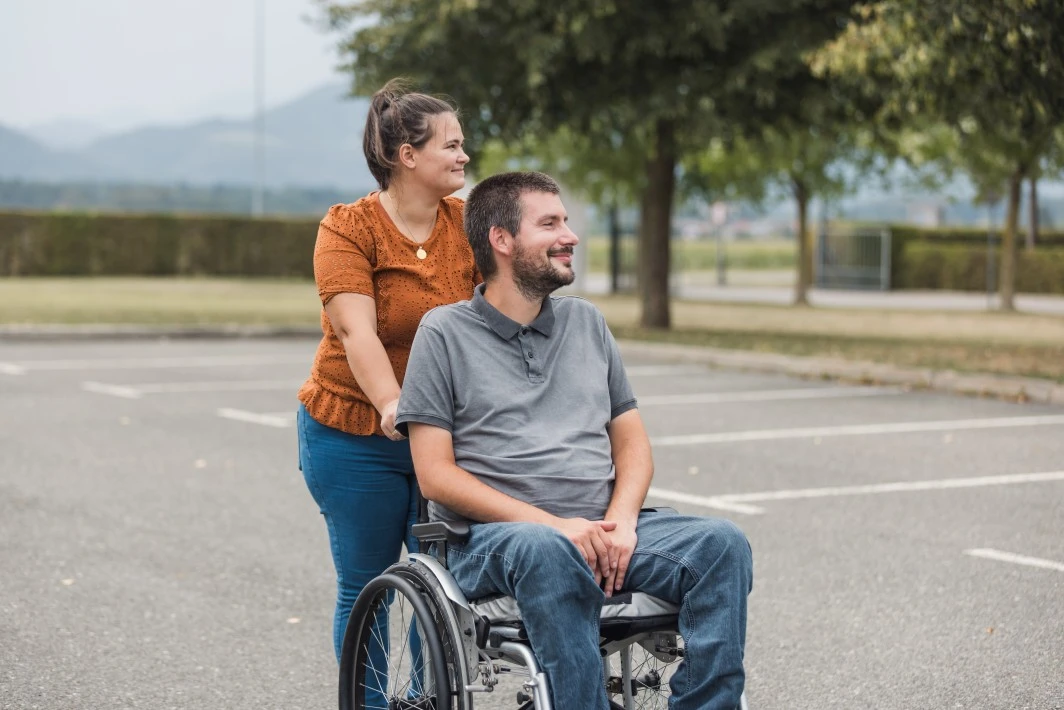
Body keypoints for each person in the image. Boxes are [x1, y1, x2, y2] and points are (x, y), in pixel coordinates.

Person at [395, 171, 753, 709]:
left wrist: (623, 524)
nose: (571, 235)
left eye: (565, 220)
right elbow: (435, 475)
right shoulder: (442, 333)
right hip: (499, 541)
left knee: (722, 544)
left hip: (606, 530)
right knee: (549, 550)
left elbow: (632, 445)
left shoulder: (587, 323)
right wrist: (558, 527)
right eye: (551, 223)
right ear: (502, 240)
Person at [296, 79, 479, 664]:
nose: (463, 156)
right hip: (354, 432)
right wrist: (393, 403)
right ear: (408, 156)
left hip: (444, 436)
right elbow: (357, 332)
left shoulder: (468, 223)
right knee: (365, 585)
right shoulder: (349, 227)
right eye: (450, 146)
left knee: (444, 592)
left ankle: (432, 703)